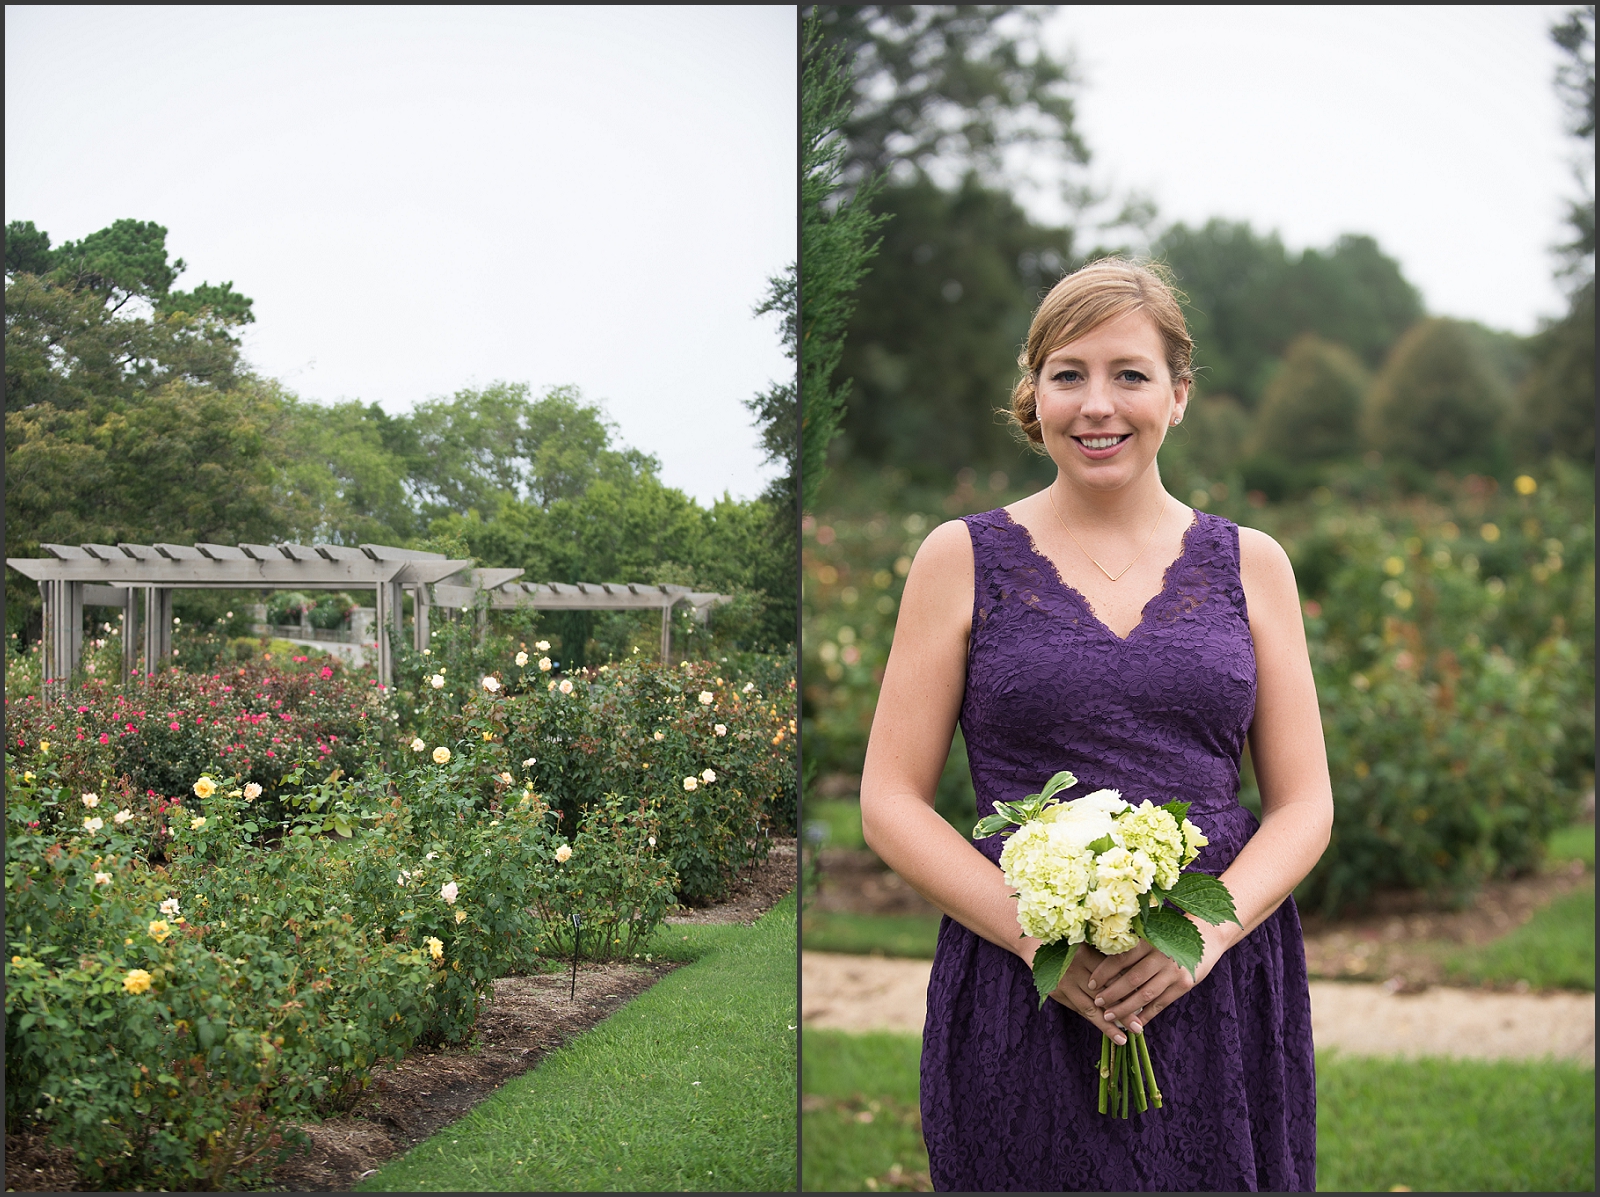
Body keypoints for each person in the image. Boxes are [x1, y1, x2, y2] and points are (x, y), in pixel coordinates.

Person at [858, 258, 1332, 1191]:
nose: (1096, 405)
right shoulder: (959, 559)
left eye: (1130, 374)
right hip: (1020, 982)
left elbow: (1306, 803)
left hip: (1216, 983)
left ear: (1179, 395)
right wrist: (1040, 942)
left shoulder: (1254, 565)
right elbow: (888, 800)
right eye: (1067, 374)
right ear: (1032, 394)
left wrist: (1209, 940)